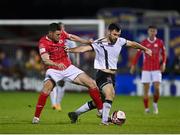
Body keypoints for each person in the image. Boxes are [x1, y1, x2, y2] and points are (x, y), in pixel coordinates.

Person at [65, 23, 152, 125]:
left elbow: (133, 44)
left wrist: (145, 49)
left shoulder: (120, 41)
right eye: (115, 34)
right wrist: (70, 50)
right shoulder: (99, 43)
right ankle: (104, 121)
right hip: (102, 74)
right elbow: (84, 49)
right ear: (109, 32)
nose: (117, 37)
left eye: (118, 35)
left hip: (112, 75)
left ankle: (75, 114)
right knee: (110, 94)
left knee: (102, 100)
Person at [32, 23, 103, 124]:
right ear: (51, 33)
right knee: (46, 89)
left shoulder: (61, 34)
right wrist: (56, 64)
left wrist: (86, 42)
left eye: (60, 34)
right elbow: (45, 60)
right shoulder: (43, 42)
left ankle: (101, 111)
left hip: (68, 67)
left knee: (92, 83)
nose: (60, 36)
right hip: (53, 69)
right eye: (57, 34)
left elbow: (72, 37)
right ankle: (36, 117)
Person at [130, 25, 167, 114]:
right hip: (146, 69)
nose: (152, 32)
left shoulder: (160, 42)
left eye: (154, 31)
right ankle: (146, 109)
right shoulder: (143, 43)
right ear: (148, 32)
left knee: (157, 88)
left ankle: (155, 104)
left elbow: (164, 54)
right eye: (151, 31)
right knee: (146, 91)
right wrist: (133, 65)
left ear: (156, 32)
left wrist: (164, 63)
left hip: (156, 69)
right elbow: (137, 55)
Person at [49, 23, 80, 111]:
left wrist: (76, 63)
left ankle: (57, 103)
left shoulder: (69, 41)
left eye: (62, 28)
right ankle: (53, 104)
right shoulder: (51, 39)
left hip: (65, 65)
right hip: (53, 64)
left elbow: (75, 52)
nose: (61, 30)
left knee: (61, 84)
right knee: (52, 83)